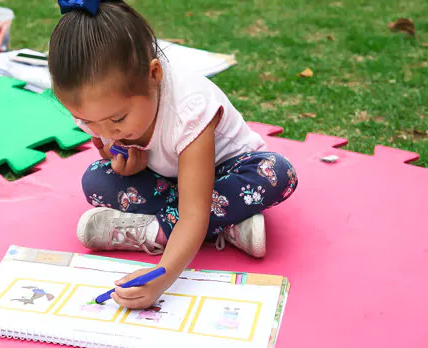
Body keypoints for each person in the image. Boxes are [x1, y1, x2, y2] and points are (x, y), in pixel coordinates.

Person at [48, 0, 298, 309]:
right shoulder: (97, 108)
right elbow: (107, 148)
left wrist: (163, 275)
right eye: (87, 121)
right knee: (95, 180)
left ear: (154, 74)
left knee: (276, 172)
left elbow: (194, 210)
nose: (105, 132)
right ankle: (231, 225)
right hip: (171, 182)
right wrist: (120, 161)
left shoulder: (189, 108)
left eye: (117, 120)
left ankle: (154, 231)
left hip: (227, 174)